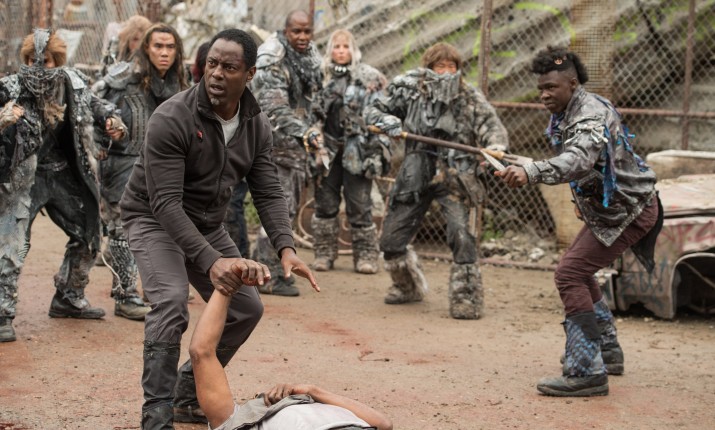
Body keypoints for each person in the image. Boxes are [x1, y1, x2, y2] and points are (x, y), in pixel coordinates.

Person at [119, 28, 318, 428]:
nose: (216, 74)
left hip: (207, 223)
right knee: (171, 302)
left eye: (229, 67)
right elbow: (165, 203)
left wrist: (286, 247)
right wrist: (212, 262)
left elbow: (267, 189)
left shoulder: (256, 124)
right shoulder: (172, 117)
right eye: (211, 63)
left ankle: (187, 395)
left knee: (246, 308)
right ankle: (156, 415)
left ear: (249, 74)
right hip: (153, 218)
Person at [495, 46, 662, 397]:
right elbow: (579, 162)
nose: (543, 95)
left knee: (569, 274)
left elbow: (579, 160)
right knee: (578, 272)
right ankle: (607, 351)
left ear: (572, 83)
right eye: (540, 88)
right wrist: (523, 163)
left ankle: (587, 370)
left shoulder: (589, 114)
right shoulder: (570, 110)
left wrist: (532, 171)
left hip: (628, 211)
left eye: (551, 88)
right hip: (614, 209)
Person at [365, 42, 508, 320]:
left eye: (451, 67)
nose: (445, 72)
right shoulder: (410, 89)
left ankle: (466, 297)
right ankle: (407, 286)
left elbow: (492, 127)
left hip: (456, 174)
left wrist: (495, 146)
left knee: (461, 234)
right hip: (415, 172)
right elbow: (374, 110)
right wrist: (388, 122)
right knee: (391, 239)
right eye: (439, 66)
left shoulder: (468, 95)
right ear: (428, 68)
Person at [0, 29, 124, 342]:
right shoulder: (11, 87)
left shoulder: (73, 83)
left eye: (45, 61)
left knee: (89, 231)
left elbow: (98, 106)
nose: (38, 67)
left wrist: (111, 121)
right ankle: (2, 312)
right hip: (24, 176)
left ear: (57, 60)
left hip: (65, 174)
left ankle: (69, 296)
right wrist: (4, 117)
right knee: (12, 245)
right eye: (32, 60)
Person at [190, 288, 393, 430]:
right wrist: (311, 391)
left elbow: (202, 352)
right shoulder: (236, 421)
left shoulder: (235, 423)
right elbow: (383, 424)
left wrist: (225, 286)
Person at [92, 23, 188, 321]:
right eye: (158, 46)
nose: (164, 53)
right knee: (124, 230)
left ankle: (156, 289)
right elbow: (93, 107)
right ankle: (125, 296)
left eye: (170, 47)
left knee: (165, 228)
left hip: (165, 168)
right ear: (147, 48)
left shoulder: (180, 83)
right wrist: (106, 132)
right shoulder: (123, 77)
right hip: (123, 164)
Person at [250, 9, 323, 296]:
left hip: (296, 146)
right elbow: (274, 107)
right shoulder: (272, 57)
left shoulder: (310, 56)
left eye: (307, 31)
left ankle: (269, 267)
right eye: (297, 31)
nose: (303, 37)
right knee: (278, 208)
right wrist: (305, 132)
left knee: (287, 207)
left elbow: (313, 99)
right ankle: (269, 275)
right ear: (286, 30)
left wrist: (313, 129)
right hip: (272, 143)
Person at [307, 29, 388, 274]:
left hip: (358, 151)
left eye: (345, 47)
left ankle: (366, 257)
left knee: (360, 205)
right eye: (336, 46)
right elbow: (310, 115)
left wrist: (376, 152)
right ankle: (324, 254)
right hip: (327, 151)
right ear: (329, 50)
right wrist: (313, 138)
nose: (341, 51)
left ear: (353, 50)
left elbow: (382, 116)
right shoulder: (319, 77)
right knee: (325, 203)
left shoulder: (370, 78)